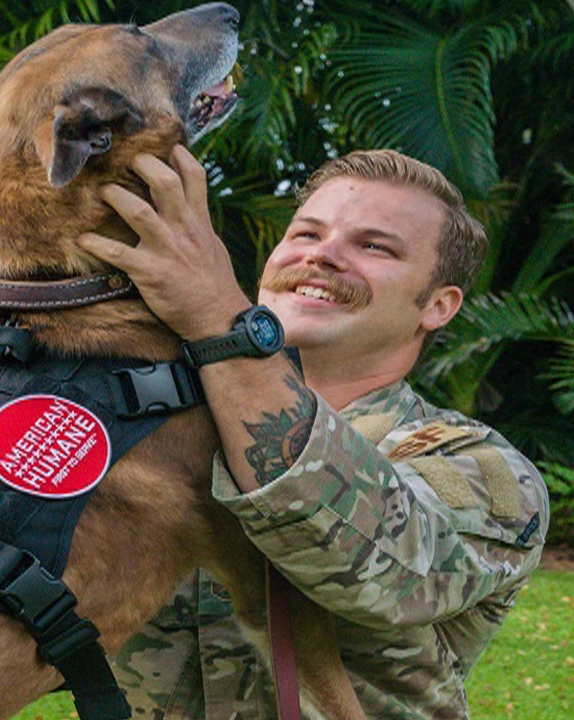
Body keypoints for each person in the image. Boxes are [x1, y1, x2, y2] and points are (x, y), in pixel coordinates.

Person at [75, 147, 549, 719]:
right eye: (305, 233)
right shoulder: (156, 429)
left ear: (440, 305)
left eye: (374, 246)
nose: (322, 256)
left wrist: (219, 325)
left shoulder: (480, 468)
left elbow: (389, 571)